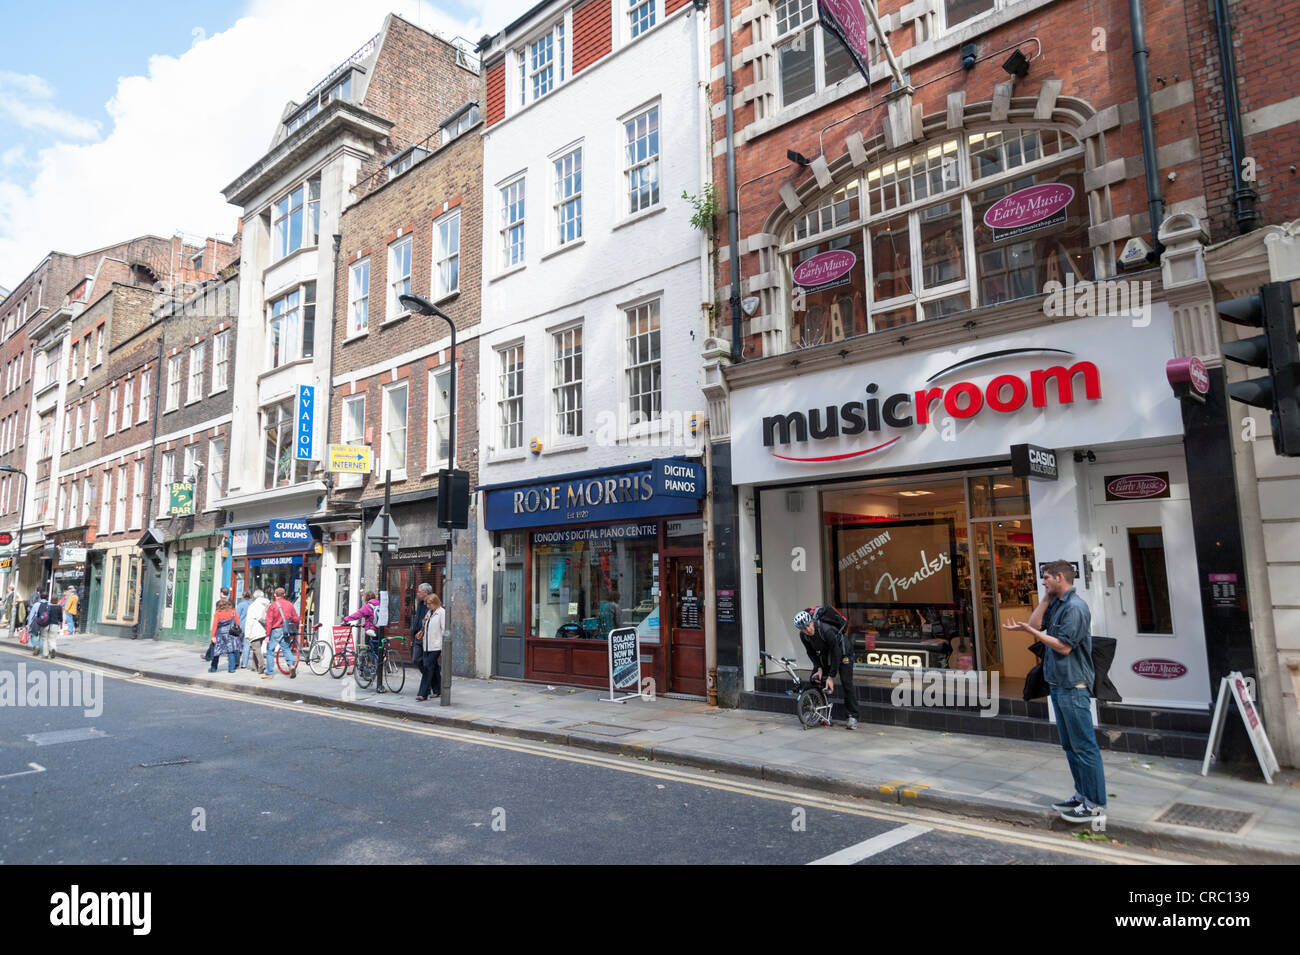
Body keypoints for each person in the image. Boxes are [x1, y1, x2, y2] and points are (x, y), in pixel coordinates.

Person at [1003, 560, 1106, 826]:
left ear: (1060, 577)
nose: (1043, 581)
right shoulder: (1058, 603)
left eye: (1047, 578)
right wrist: (1046, 600)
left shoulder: (1075, 607)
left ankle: (1094, 804)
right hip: (1059, 685)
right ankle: (1081, 795)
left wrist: (1032, 632)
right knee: (1070, 746)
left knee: (1084, 747)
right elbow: (1034, 622)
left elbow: (1063, 647)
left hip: (1073, 686)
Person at [794, 607, 859, 730]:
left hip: (843, 651)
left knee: (846, 683)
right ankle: (822, 713)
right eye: (804, 628)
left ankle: (853, 716)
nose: (808, 630)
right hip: (827, 653)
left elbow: (836, 653)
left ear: (812, 621)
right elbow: (811, 652)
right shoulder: (804, 636)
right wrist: (818, 667)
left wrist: (831, 676)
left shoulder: (826, 630)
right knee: (815, 679)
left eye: (808, 625)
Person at [262, 586, 299, 680]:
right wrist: (296, 629)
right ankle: (291, 665)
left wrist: (267, 635)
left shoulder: (273, 605)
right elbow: (296, 618)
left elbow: (268, 621)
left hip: (276, 630)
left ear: (275, 595)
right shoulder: (290, 604)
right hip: (286, 630)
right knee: (286, 648)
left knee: (270, 651)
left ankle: (269, 673)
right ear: (284, 595)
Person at [416, 591, 446, 701]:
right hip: (427, 645)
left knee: (427, 666)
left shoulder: (442, 613)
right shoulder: (429, 612)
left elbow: (444, 630)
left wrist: (443, 647)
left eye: (429, 603)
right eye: (427, 604)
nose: (428, 606)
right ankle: (438, 690)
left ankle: (423, 693)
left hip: (436, 646)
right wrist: (424, 622)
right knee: (434, 668)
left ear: (435, 603)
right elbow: (426, 627)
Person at [208, 597, 240, 673]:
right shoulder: (233, 611)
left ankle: (213, 668)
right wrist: (238, 633)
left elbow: (215, 625)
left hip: (220, 633)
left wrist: (212, 636)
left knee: (217, 651)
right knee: (230, 650)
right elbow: (237, 622)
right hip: (230, 633)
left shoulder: (218, 612)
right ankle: (231, 668)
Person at [245, 590, 270, 673]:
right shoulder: (267, 604)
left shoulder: (253, 606)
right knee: (257, 648)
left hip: (255, 630)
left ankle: (261, 665)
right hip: (265, 629)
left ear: (255, 597)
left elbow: (249, 621)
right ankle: (254, 667)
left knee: (256, 648)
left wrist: (247, 634)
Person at [409, 583, 432, 668]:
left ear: (425, 592)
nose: (417, 594)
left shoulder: (432, 604)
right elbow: (417, 617)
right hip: (418, 635)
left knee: (428, 661)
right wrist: (413, 629)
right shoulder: (420, 603)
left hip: (427, 636)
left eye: (419, 592)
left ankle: (429, 678)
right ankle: (428, 675)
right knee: (415, 659)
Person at [236, 590, 253, 669]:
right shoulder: (253, 604)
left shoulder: (241, 604)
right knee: (247, 644)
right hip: (250, 626)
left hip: (241, 625)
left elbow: (237, 617)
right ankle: (244, 663)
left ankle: (236, 661)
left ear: (243, 596)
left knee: (238, 643)